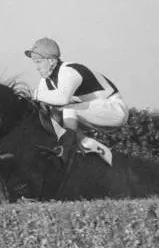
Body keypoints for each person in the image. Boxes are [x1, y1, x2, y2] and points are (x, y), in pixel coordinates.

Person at [25, 37, 128, 167]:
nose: (36, 68)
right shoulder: (45, 81)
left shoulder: (68, 71)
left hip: (115, 110)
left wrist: (35, 94)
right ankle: (85, 143)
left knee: (68, 109)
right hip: (96, 111)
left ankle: (66, 151)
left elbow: (62, 99)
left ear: (51, 61)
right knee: (54, 112)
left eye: (39, 62)